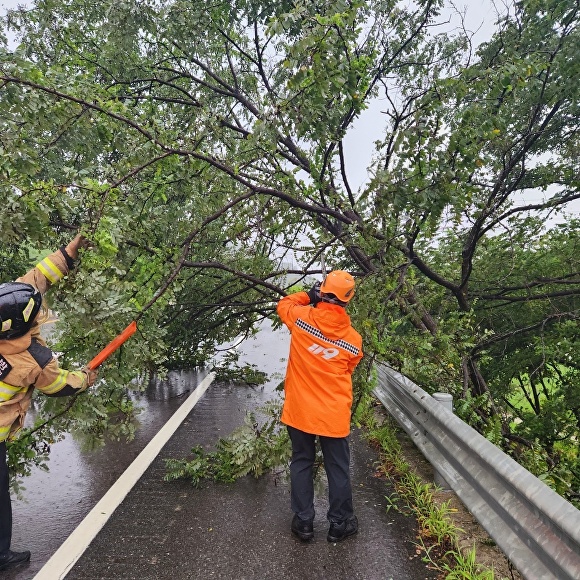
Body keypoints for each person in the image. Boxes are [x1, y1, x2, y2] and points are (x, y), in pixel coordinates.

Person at [0, 234, 97, 571]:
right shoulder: (32, 360)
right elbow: (59, 386)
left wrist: (68, 254)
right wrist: (85, 377)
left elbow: (33, 281)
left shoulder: (6, 314)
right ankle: (0, 556)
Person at [277, 270, 363, 543]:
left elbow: (284, 304)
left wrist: (308, 295)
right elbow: (350, 367)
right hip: (333, 415)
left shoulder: (301, 320)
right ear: (348, 300)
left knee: (302, 461)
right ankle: (340, 524)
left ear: (322, 291)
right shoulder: (353, 340)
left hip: (300, 410)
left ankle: (304, 523)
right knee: (337, 467)